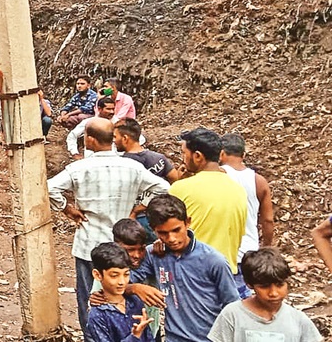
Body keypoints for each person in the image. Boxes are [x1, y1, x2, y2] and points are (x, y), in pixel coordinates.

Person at [47, 118, 170, 332]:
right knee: (125, 294)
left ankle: (93, 336)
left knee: (90, 300)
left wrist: (67, 208)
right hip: (124, 246)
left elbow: (49, 187)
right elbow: (164, 186)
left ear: (90, 140)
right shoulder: (133, 167)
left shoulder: (79, 168)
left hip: (89, 244)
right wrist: (139, 208)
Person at [127, 195, 239, 342]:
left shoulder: (213, 260)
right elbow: (118, 285)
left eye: (176, 230)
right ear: (154, 230)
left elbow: (232, 306)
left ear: (187, 223)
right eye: (163, 233)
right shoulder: (153, 254)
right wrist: (135, 288)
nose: (171, 238)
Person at [170, 128, 248, 275]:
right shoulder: (238, 190)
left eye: (184, 153)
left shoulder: (180, 189)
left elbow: (168, 235)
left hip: (193, 274)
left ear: (198, 156)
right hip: (228, 272)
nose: (183, 158)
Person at [208, 247, 321, 342]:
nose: (273, 293)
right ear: (250, 285)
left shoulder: (298, 320)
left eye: (279, 285)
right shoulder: (232, 315)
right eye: (264, 286)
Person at [219, 133, 275, 294]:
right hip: (249, 250)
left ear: (221, 153)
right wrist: (266, 248)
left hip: (222, 251)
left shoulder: (217, 176)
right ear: (243, 154)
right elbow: (268, 220)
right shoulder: (258, 180)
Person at [85, 242, 150, 342]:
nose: (122, 282)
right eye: (114, 276)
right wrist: (134, 337)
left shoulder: (135, 301)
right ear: (98, 275)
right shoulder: (98, 315)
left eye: (126, 274)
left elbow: (148, 336)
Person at [116, 119, 182, 181]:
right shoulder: (159, 158)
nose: (113, 140)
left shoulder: (120, 166)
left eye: (114, 137)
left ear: (125, 138)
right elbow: (176, 180)